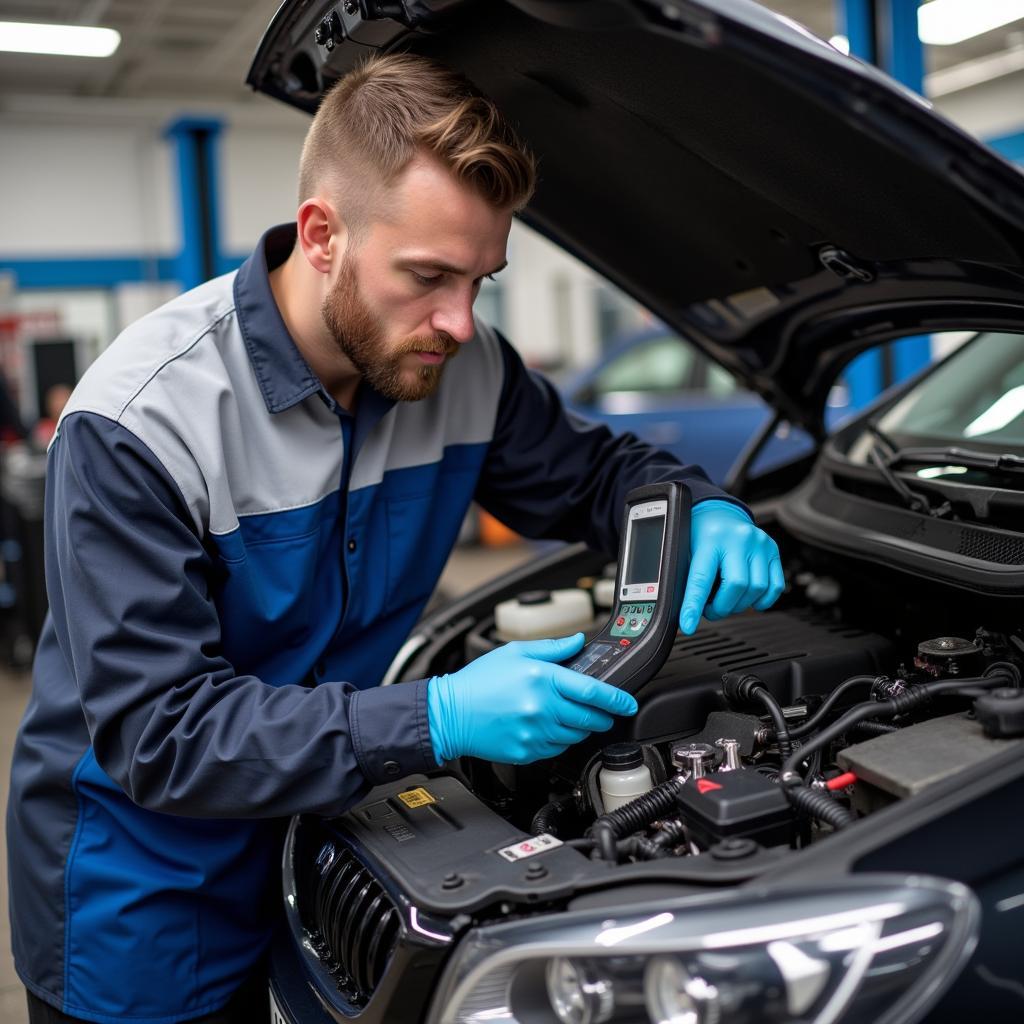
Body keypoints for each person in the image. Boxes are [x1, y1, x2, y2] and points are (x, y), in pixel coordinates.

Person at [7, 55, 784, 1024]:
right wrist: (439, 716)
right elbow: (161, 735)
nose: (459, 322)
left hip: (334, 843)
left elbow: (598, 475)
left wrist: (697, 500)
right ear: (323, 235)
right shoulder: (141, 419)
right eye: (426, 277)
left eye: (481, 280)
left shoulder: (464, 369)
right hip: (152, 899)